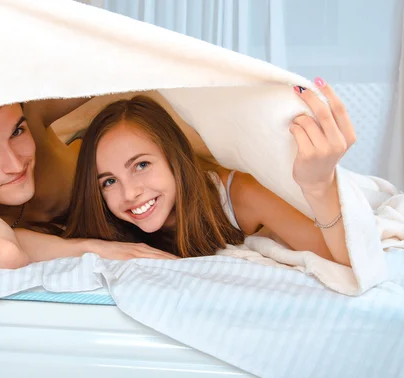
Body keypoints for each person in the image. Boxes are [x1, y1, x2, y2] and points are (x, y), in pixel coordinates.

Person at [64, 78, 355, 267]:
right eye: (110, 181)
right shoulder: (106, 222)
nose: (129, 193)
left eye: (141, 165)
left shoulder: (241, 194)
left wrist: (318, 185)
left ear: (173, 158)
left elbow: (340, 258)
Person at [0, 91, 211, 269]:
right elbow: (1, 255)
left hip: (117, 155)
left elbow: (118, 54)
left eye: (17, 133)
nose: (14, 164)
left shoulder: (28, 111)